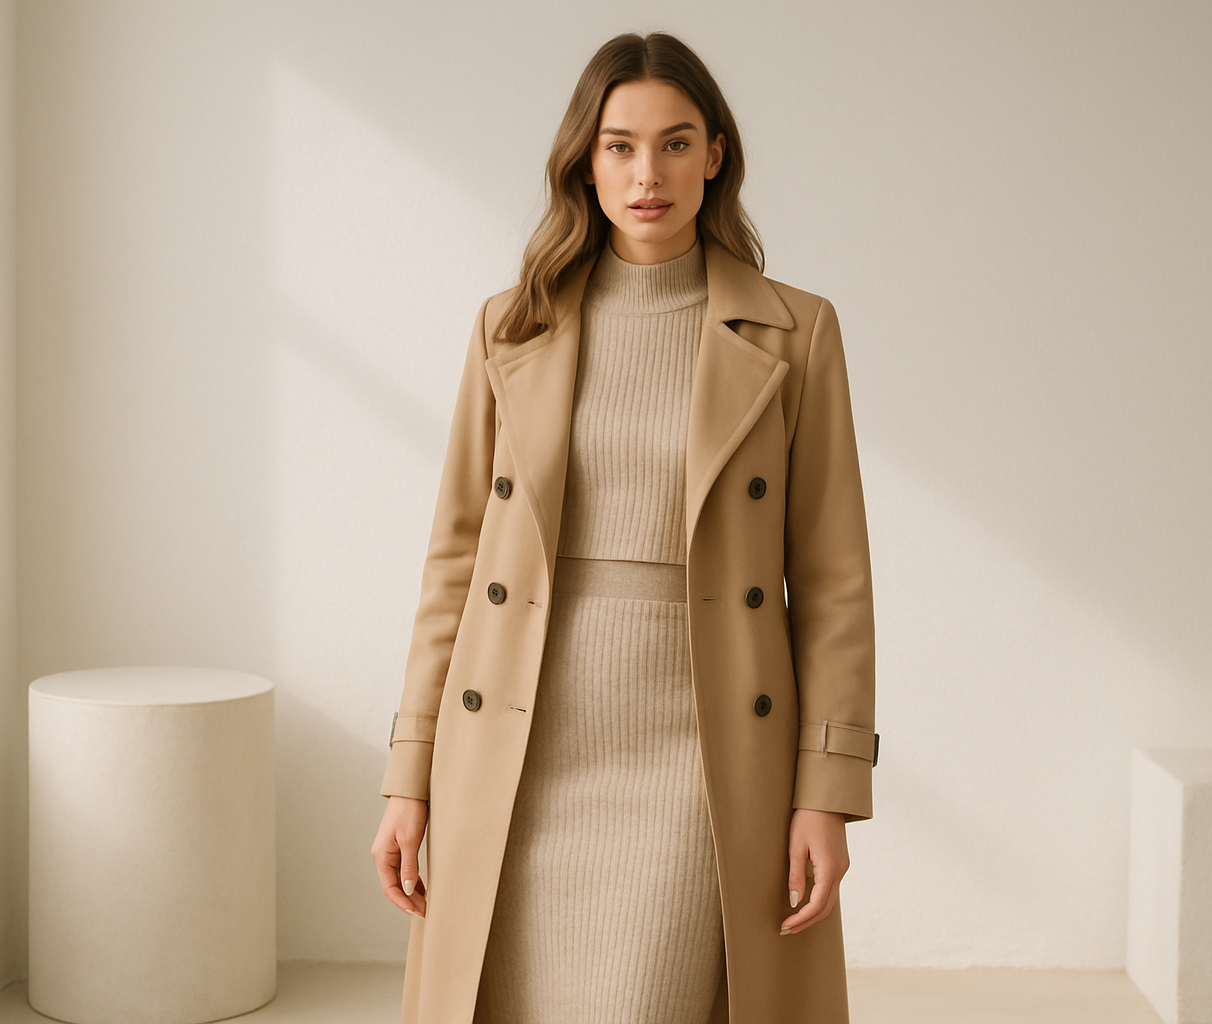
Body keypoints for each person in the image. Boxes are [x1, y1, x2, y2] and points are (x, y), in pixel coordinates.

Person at [370, 30, 876, 1024]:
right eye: (620, 146)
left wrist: (827, 787)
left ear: (716, 154)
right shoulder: (510, 325)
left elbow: (833, 579)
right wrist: (409, 773)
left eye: (676, 143)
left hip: (705, 746)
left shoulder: (795, 330)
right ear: (584, 161)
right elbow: (455, 566)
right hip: (521, 739)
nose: (649, 174)